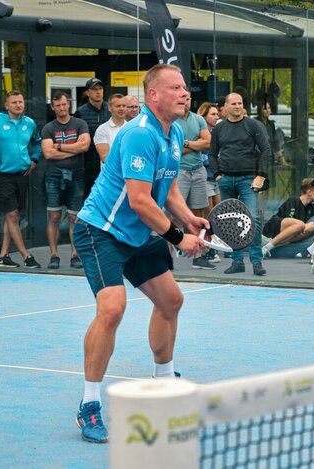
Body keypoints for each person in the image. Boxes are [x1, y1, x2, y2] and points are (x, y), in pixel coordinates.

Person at [72, 64, 208, 444]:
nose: (184, 93)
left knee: (171, 300)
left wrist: (188, 218)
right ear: (153, 96)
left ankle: (163, 381)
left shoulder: (175, 132)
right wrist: (179, 236)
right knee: (113, 308)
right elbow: (139, 199)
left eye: (184, 87)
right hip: (100, 230)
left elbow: (167, 186)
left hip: (138, 232)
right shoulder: (137, 134)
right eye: (175, 87)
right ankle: (89, 404)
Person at [208, 92, 271, 276]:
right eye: (233, 103)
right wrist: (217, 174)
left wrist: (261, 176)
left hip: (247, 180)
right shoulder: (219, 129)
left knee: (254, 219)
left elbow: (266, 150)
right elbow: (212, 154)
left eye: (240, 103)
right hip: (226, 179)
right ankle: (237, 262)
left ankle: (257, 262)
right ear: (226, 107)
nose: (237, 106)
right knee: (231, 221)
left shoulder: (253, 125)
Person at [0, 91, 42, 268]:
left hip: (21, 175)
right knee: (12, 214)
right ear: (7, 105)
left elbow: (38, 142)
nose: (18, 105)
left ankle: (3, 256)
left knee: (12, 216)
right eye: (14, 102)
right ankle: (26, 256)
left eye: (20, 102)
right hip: (1, 176)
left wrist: (34, 159)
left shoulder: (29, 123)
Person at [40, 92, 91, 269]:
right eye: (58, 105)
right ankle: (54, 255)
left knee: (74, 217)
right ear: (53, 107)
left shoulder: (80, 123)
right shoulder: (48, 128)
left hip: (76, 174)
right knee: (53, 216)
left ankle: (74, 255)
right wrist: (73, 148)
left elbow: (84, 146)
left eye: (64, 104)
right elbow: (48, 153)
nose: (61, 108)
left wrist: (59, 146)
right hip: (53, 175)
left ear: (68, 104)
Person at [175, 94, 212, 269]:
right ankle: (173, 254)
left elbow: (207, 143)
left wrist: (187, 143)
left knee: (199, 215)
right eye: (183, 98)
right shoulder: (172, 120)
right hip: (179, 171)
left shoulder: (198, 119)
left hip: (198, 171)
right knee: (176, 214)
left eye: (189, 98)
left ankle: (198, 256)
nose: (186, 101)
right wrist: (195, 144)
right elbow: (175, 150)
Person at [262, 177, 314, 256]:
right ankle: (267, 247)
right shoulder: (293, 200)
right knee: (300, 225)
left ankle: (279, 243)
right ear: (309, 192)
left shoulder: (313, 208)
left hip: (290, 235)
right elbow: (289, 220)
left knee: (312, 226)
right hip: (273, 228)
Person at [74, 77, 110, 197]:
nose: (98, 92)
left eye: (100, 89)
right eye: (94, 89)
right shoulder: (80, 112)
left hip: (108, 161)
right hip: (89, 164)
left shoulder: (111, 109)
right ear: (88, 92)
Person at [197, 101, 222, 264]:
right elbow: (199, 155)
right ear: (204, 116)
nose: (216, 117)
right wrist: (213, 160)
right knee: (207, 213)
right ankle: (206, 249)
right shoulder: (200, 133)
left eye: (217, 114)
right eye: (212, 114)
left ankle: (213, 246)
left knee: (217, 212)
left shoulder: (218, 131)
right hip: (204, 177)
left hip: (217, 178)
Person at [93, 93, 127, 163]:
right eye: (118, 106)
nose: (121, 108)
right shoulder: (102, 130)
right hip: (111, 173)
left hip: (129, 173)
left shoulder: (131, 128)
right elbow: (105, 158)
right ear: (109, 108)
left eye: (124, 106)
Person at [255, 100, 287, 166]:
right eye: (265, 108)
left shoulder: (271, 124)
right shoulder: (254, 122)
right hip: (257, 157)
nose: (267, 110)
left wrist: (281, 157)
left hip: (269, 156)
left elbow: (275, 142)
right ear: (260, 110)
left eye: (269, 108)